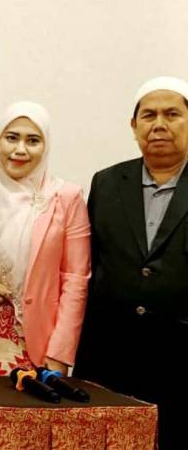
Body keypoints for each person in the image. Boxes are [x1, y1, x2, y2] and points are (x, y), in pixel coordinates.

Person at [74, 77, 188, 449]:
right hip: (109, 357)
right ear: (134, 125)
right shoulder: (106, 183)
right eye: (149, 115)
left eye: (172, 114)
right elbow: (88, 264)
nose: (159, 124)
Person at [0, 102, 90, 376]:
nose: (20, 149)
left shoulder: (66, 198)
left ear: (45, 146)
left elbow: (76, 281)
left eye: (33, 140)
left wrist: (60, 353)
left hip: (36, 344)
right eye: (11, 138)